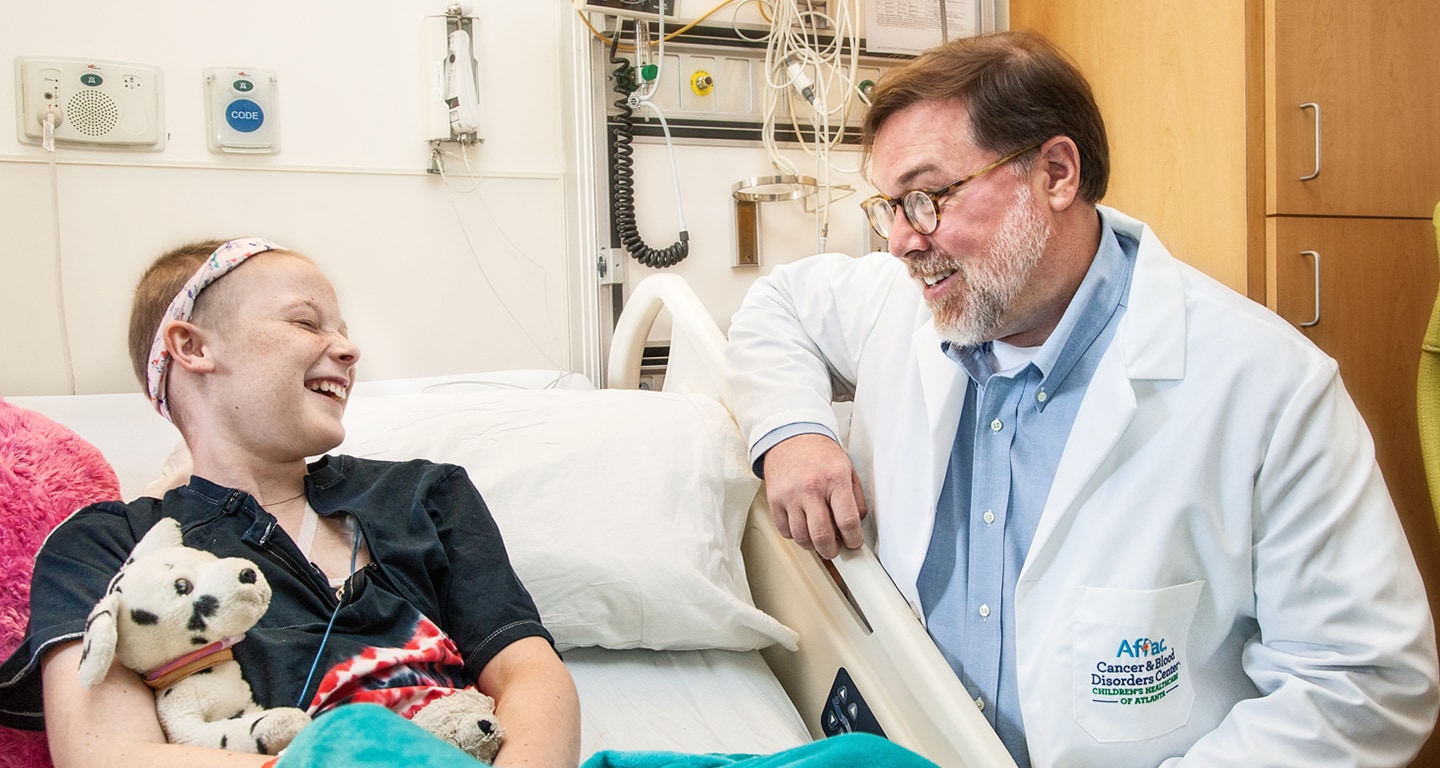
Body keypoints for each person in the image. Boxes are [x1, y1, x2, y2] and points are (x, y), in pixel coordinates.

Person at [724, 29, 1440, 767]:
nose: (903, 241)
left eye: (927, 199)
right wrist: (793, 432)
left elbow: (1365, 679)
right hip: (915, 738)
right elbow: (776, 308)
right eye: (889, 207)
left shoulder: (1267, 388)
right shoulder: (906, 303)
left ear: (1056, 173)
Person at [0, 238, 581, 767]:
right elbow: (110, 755)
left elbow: (529, 673)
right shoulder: (103, 547)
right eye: (307, 323)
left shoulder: (425, 494)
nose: (349, 350)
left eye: (344, 330)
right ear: (191, 346)